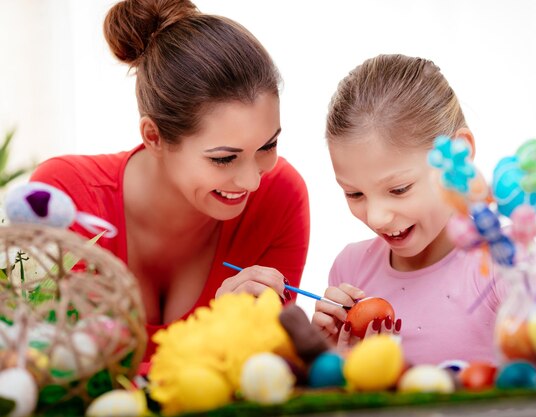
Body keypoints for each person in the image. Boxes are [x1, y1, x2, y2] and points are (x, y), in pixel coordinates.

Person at [30, 0, 310, 362]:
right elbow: (51, 372)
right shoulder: (63, 198)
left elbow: (263, 374)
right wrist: (210, 336)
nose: (252, 181)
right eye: (223, 158)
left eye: (268, 145)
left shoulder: (280, 195)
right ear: (154, 137)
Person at [312, 54, 504, 366]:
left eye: (399, 189)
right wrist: (329, 361)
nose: (375, 217)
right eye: (354, 193)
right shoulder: (350, 271)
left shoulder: (502, 263)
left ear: (458, 155)